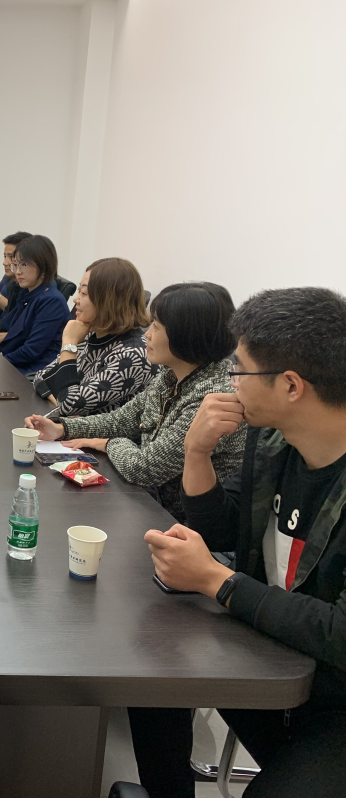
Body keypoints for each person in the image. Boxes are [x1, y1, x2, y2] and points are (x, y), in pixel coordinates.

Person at [129, 287, 346, 798]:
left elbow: (341, 632)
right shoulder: (273, 442)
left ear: (290, 385)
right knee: (151, 672)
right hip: (277, 654)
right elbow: (225, 530)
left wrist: (218, 581)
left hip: (333, 699)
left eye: (240, 370)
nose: (229, 382)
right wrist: (196, 453)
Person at [25, 282, 245, 521]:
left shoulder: (212, 397)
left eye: (156, 327)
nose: (147, 334)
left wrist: (109, 443)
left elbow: (144, 469)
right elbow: (122, 419)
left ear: (187, 336)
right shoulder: (172, 374)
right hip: (146, 504)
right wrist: (62, 428)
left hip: (176, 522)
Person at [30, 258, 157, 417]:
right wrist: (61, 404)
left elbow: (69, 404)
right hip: (68, 427)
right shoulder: (91, 334)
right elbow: (41, 377)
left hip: (97, 434)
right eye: (79, 292)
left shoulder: (133, 355)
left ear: (110, 301)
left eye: (84, 293)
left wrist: (69, 343)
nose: (76, 299)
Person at [0, 234, 70, 375]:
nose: (17, 271)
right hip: (16, 363)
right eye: (16, 265)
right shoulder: (28, 293)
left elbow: (31, 351)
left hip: (34, 373)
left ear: (42, 265)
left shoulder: (51, 300)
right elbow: (8, 323)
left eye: (23, 265)